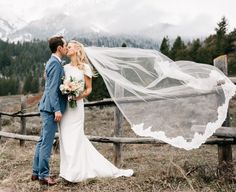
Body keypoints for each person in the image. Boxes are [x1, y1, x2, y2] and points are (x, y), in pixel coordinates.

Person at [59, 40, 133, 182]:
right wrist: (66, 91)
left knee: (75, 136)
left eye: (69, 47)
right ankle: (68, 170)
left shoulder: (85, 68)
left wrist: (78, 95)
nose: (66, 49)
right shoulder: (65, 68)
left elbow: (89, 89)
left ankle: (74, 173)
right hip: (66, 107)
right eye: (66, 47)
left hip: (77, 107)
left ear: (77, 49)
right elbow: (62, 85)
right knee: (65, 138)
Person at [31, 35, 68, 185]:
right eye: (65, 45)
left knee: (42, 141)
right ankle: (44, 176)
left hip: (47, 107)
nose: (66, 48)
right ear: (59, 48)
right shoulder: (55, 63)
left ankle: (36, 172)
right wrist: (57, 110)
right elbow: (52, 90)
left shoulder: (54, 61)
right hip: (50, 109)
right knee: (46, 142)